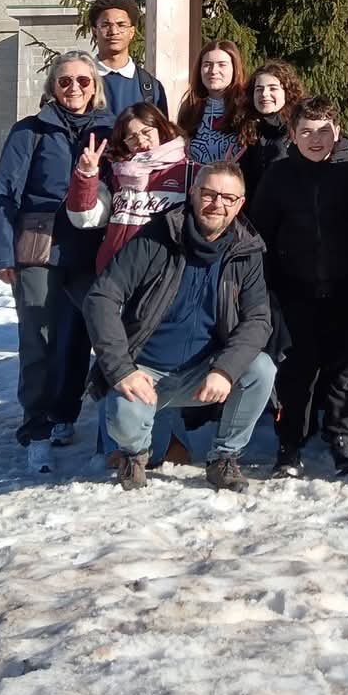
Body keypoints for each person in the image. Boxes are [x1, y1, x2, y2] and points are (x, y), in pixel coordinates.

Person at [82, 161, 276, 493]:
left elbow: (258, 320)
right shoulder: (157, 238)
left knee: (261, 369)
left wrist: (226, 370)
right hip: (143, 371)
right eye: (209, 194)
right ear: (192, 193)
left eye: (229, 198)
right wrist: (121, 369)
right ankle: (134, 455)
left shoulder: (247, 251)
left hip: (203, 373)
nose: (218, 204)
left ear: (240, 203)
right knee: (127, 423)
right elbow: (101, 297)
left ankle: (224, 458)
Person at [0, 50, 112, 473]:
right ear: (51, 87)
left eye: (82, 81)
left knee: (84, 335)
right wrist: (2, 254)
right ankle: (36, 427)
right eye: (64, 81)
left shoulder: (109, 130)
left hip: (92, 247)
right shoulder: (31, 131)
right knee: (39, 339)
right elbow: (6, 194)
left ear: (95, 87)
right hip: (39, 246)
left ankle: (66, 413)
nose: (74, 88)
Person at [248, 97, 348, 477]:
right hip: (295, 290)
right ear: (293, 134)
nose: (315, 138)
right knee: (297, 372)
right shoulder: (279, 175)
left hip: (346, 289)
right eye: (306, 131)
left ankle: (341, 436)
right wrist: (267, 289)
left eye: (323, 130)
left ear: (337, 132)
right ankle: (290, 443)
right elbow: (261, 235)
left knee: (345, 370)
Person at [89, 103, 192, 273]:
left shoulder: (188, 171)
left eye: (147, 132)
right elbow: (86, 216)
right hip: (115, 270)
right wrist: (86, 175)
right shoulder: (116, 173)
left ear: (160, 128)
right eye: (132, 137)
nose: (141, 141)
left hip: (161, 271)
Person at [88, 0, 167, 118]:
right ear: (94, 31)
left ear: (132, 32)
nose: (113, 31)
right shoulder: (78, 84)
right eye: (105, 25)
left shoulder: (151, 88)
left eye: (121, 25)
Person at [238, 60, 306, 200]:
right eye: (259, 89)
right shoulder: (247, 129)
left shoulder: (301, 128)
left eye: (273, 88)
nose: (264, 94)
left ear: (287, 92)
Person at [176, 39, 249, 166]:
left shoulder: (247, 107)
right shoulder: (190, 108)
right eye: (207, 64)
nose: (213, 70)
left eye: (222, 64)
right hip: (197, 183)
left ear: (235, 68)